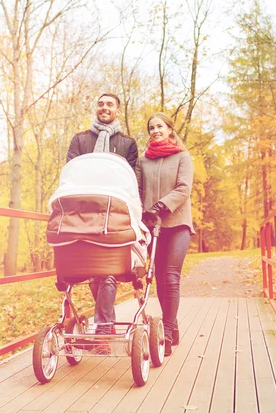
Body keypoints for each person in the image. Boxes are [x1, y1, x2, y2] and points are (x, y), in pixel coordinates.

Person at [66, 93, 138, 353]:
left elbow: (130, 180)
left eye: (110, 104)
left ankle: (104, 331)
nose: (104, 108)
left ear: (118, 111)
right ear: (96, 108)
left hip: (113, 213)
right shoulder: (80, 140)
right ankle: (103, 328)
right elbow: (71, 173)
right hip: (84, 215)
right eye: (101, 103)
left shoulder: (128, 144)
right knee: (95, 271)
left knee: (106, 271)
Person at [135, 112, 194, 356]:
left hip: (177, 224)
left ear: (170, 129)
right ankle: (173, 324)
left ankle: (166, 333)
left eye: (159, 126)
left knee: (171, 277)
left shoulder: (182, 156)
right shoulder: (143, 161)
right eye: (151, 127)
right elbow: (137, 190)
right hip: (152, 227)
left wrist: (160, 205)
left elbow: (184, 188)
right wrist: (141, 213)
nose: (155, 130)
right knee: (158, 277)